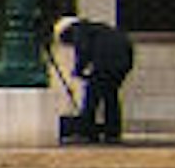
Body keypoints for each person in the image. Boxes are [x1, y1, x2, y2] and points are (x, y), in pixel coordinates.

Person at [52, 15, 134, 144]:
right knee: (110, 95)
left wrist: (78, 69)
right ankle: (112, 131)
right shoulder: (96, 29)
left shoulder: (79, 30)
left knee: (92, 96)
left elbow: (83, 50)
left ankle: (86, 129)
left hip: (106, 62)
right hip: (122, 62)